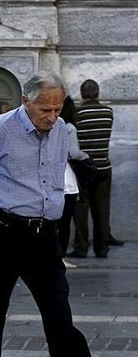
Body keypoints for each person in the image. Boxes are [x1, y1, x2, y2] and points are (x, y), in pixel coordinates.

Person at [0, 72, 100, 357]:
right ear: (26, 101)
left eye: (58, 109)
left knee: (61, 319)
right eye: (45, 110)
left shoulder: (62, 130)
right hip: (0, 234)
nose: (52, 117)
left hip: (45, 238)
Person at [70, 79, 122, 259]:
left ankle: (82, 247)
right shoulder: (108, 112)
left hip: (84, 167)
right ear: (98, 93)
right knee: (102, 210)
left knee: (82, 210)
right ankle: (102, 248)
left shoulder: (77, 114)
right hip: (104, 166)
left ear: (82, 94)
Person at [57, 96, 87, 269]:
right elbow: (73, 152)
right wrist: (86, 157)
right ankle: (59, 257)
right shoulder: (69, 128)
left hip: (50, 178)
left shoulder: (50, 126)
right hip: (66, 180)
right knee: (65, 223)